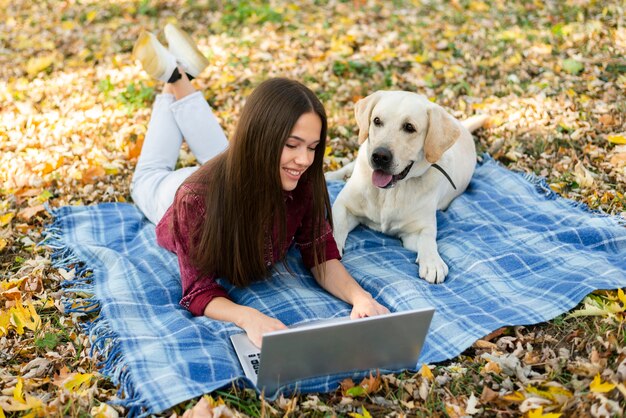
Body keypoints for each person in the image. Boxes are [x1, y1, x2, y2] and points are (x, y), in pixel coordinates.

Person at [131, 24, 389, 347]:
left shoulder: (298, 177)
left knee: (225, 154)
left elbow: (319, 253)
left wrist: (359, 298)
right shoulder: (193, 201)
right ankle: (173, 78)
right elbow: (197, 290)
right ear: (263, 140)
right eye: (292, 144)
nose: (304, 159)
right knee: (147, 176)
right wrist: (247, 316)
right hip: (176, 193)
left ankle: (176, 74)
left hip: (244, 171)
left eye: (312, 147)